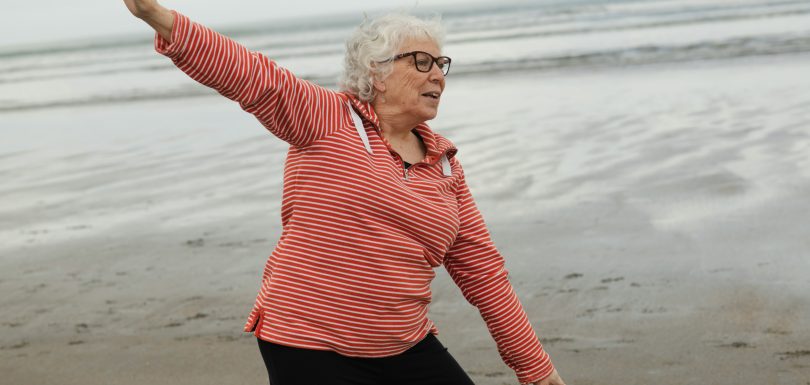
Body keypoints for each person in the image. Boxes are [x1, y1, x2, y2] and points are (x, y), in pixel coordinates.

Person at [123, 1, 566, 384]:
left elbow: (482, 270)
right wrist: (156, 15)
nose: (439, 76)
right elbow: (255, 76)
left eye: (441, 64)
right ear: (377, 72)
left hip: (403, 344)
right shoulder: (328, 121)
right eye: (422, 62)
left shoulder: (444, 162)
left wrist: (535, 367)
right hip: (309, 343)